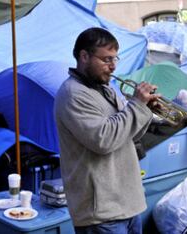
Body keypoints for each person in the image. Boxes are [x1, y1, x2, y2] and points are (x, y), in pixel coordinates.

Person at [55, 27, 160, 233]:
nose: (113, 67)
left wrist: (144, 111)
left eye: (115, 59)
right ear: (84, 56)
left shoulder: (106, 88)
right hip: (102, 213)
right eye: (106, 60)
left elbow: (129, 136)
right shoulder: (73, 94)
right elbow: (104, 141)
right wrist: (136, 105)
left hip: (127, 204)